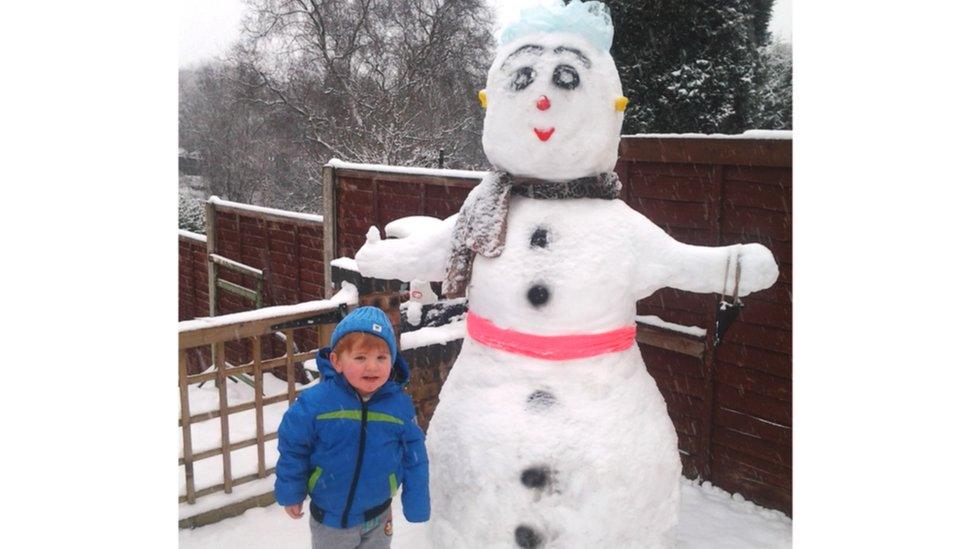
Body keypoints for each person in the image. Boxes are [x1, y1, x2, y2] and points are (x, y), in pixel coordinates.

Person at [275, 306, 430, 549]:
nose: (372, 367)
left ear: (393, 361)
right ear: (336, 361)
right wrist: (291, 492)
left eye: (381, 357)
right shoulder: (316, 403)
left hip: (379, 516)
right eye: (360, 358)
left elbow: (415, 456)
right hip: (331, 522)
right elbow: (294, 449)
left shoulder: (398, 405)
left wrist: (417, 501)